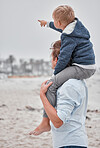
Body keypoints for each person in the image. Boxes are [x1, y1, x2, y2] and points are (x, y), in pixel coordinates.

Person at [30, 5, 96, 135]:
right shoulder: (77, 27)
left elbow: (64, 57)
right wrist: (47, 24)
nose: (54, 24)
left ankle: (45, 122)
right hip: (88, 66)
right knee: (54, 83)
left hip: (81, 67)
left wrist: (56, 75)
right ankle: (46, 119)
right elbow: (61, 27)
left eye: (53, 21)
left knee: (51, 85)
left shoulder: (69, 37)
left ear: (59, 23)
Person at [30, 40, 88, 148]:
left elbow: (58, 122)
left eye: (51, 58)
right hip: (70, 143)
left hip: (70, 144)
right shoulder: (73, 82)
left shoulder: (69, 85)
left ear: (56, 60)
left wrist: (42, 96)